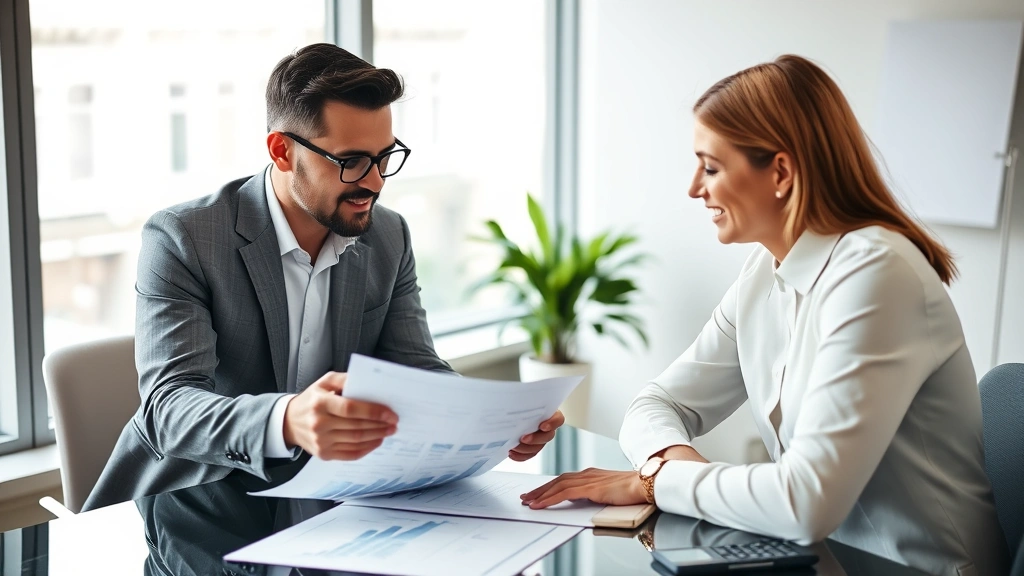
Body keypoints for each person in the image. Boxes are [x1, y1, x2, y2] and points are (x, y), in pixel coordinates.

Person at [519, 55, 1009, 575]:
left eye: (710, 167)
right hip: (819, 562)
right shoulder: (765, 272)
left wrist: (654, 483)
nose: (694, 188)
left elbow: (805, 503)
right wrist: (666, 467)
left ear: (780, 172)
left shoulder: (878, 276)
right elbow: (656, 403)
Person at [84, 43, 562, 511]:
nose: (374, 182)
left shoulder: (389, 235)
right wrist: (286, 419)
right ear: (282, 151)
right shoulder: (184, 238)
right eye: (351, 161)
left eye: (384, 157)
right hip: (198, 503)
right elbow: (168, 408)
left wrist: (494, 419)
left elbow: (415, 366)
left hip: (333, 494)